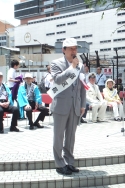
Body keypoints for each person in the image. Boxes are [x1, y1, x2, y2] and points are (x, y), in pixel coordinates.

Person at [51, 38, 86, 175]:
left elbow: (82, 86)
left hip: (75, 105)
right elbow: (58, 79)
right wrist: (71, 68)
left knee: (71, 136)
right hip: (61, 105)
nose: (74, 51)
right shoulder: (56, 63)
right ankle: (59, 163)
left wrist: (83, 104)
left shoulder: (80, 66)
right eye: (71, 48)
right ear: (63, 50)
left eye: (75, 48)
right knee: (59, 135)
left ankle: (69, 161)